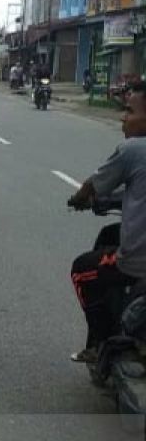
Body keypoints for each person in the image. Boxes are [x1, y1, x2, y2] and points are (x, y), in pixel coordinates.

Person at [66, 81, 146, 363]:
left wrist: (79, 199)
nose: (123, 117)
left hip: (136, 263)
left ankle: (101, 344)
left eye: (129, 111)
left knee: (81, 270)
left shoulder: (133, 149)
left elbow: (93, 186)